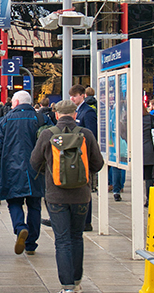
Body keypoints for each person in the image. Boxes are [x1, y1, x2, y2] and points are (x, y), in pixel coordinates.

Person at [30, 100, 103, 293]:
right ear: (74, 115)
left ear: (57, 115)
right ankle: (77, 281)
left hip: (56, 196)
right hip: (81, 195)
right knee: (76, 237)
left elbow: (34, 161)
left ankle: (67, 286)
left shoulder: (47, 134)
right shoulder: (86, 135)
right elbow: (98, 163)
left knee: (62, 240)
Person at [0, 91, 45, 256]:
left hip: (12, 168)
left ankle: (20, 227)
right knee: (35, 205)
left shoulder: (6, 120)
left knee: (14, 202)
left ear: (17, 102)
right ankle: (31, 243)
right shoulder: (41, 119)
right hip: (37, 169)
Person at [69, 84, 97, 230]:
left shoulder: (88, 113)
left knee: (86, 189)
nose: (72, 98)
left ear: (82, 95)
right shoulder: (78, 112)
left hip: (84, 155)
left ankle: (86, 221)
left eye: (75, 96)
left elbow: (91, 135)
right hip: (77, 155)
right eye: (71, 96)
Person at [142, 104, 154, 206]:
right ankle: (149, 198)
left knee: (139, 176)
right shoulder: (151, 118)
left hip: (137, 150)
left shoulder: (131, 118)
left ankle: (139, 197)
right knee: (149, 176)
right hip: (150, 150)